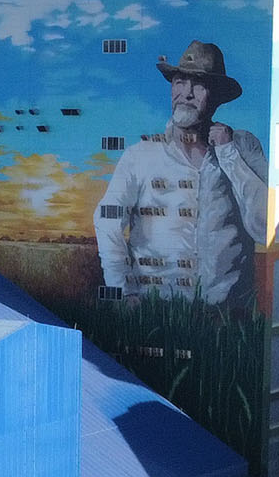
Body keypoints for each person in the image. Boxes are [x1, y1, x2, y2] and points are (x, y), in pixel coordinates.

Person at [91, 40, 268, 305]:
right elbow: (107, 219)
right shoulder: (141, 155)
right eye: (179, 82)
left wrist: (229, 156)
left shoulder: (243, 146)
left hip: (226, 318)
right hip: (158, 312)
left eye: (199, 85)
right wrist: (123, 290)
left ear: (217, 96)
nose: (186, 93)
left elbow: (266, 227)